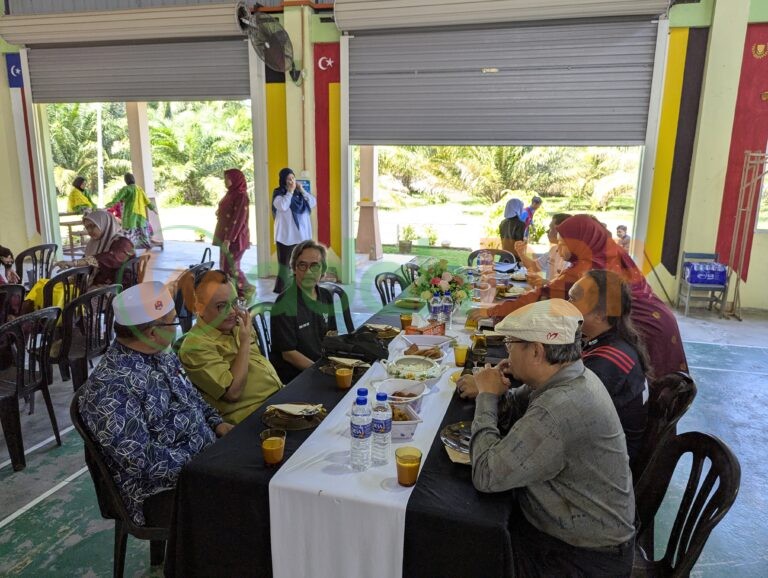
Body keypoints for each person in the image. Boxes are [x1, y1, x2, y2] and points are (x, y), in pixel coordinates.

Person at [470, 299, 635, 576]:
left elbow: (487, 475)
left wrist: (487, 396)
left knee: (466, 550)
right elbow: (517, 406)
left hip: (579, 557)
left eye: (510, 344)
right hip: (577, 535)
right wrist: (497, 390)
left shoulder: (558, 407)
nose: (507, 354)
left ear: (536, 351)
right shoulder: (572, 376)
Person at [78, 282, 233, 526]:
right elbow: (143, 462)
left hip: (204, 460)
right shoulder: (111, 386)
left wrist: (217, 424)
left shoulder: (161, 353)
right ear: (152, 332)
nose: (178, 327)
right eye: (173, 321)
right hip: (159, 490)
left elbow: (191, 398)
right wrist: (203, 463)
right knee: (247, 498)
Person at [470, 214, 687, 378]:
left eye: (563, 243)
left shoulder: (588, 267)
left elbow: (543, 297)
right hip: (658, 319)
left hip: (647, 327)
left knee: (647, 394)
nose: (559, 248)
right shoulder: (606, 251)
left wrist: (492, 312)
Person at [178, 269, 282, 424]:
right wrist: (244, 342)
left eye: (234, 303)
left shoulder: (236, 325)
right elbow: (233, 393)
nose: (233, 311)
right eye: (221, 306)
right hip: (250, 417)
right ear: (199, 308)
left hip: (277, 396)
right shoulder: (195, 347)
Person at [568, 270, 649, 464]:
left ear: (599, 315)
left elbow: (563, 416)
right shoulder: (611, 341)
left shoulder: (606, 364)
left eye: (573, 299)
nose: (566, 305)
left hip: (607, 464)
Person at [270, 240, 336, 384]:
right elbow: (289, 354)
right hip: (295, 378)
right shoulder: (284, 304)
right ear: (294, 268)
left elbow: (332, 336)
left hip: (322, 367)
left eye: (314, 266)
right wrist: (321, 372)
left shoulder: (325, 296)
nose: (308, 272)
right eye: (302, 265)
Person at [52, 209, 135, 287]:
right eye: (87, 227)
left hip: (119, 289)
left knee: (78, 296)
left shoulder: (123, 242)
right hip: (100, 286)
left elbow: (108, 258)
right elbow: (86, 263)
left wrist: (74, 263)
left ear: (104, 223)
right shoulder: (94, 243)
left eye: (93, 226)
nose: (89, 231)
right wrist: (73, 277)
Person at [272, 167, 316, 294]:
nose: (291, 181)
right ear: (283, 181)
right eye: (288, 179)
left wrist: (302, 190)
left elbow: (312, 202)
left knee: (301, 264)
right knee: (285, 265)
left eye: (293, 178)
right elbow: (283, 206)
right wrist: (290, 192)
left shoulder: (299, 194)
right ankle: (282, 291)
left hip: (301, 236)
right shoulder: (279, 194)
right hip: (286, 237)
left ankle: (300, 287)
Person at [214, 168, 255, 300]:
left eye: (228, 178)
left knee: (232, 267)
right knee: (225, 266)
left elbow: (238, 219)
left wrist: (229, 239)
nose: (225, 181)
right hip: (225, 236)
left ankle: (246, 290)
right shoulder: (231, 193)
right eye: (225, 178)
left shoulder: (241, 196)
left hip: (235, 238)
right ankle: (231, 293)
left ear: (236, 179)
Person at [514, 212, 571, 284]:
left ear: (560, 230)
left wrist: (544, 282)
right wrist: (520, 253)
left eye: (551, 228)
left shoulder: (571, 256)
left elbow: (567, 287)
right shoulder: (554, 249)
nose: (547, 231)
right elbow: (534, 266)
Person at [107, 173, 155, 250]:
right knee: (142, 231)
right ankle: (145, 245)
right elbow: (147, 201)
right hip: (141, 215)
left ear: (126, 180)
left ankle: (128, 248)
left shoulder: (126, 189)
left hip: (131, 215)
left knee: (128, 232)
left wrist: (109, 204)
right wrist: (153, 209)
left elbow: (117, 198)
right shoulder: (139, 189)